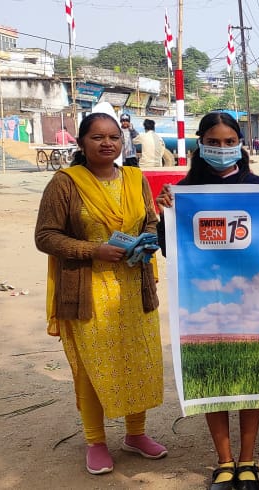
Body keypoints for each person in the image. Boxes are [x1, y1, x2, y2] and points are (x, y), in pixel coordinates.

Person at [34, 112, 167, 476]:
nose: (107, 143)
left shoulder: (135, 178)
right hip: (88, 292)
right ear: (81, 143)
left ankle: (135, 434)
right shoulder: (65, 183)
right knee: (93, 370)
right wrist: (93, 250)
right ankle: (95, 440)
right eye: (97, 137)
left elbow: (149, 221)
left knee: (138, 363)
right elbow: (45, 236)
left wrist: (147, 246)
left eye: (113, 137)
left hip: (132, 287)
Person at [155, 112, 259, 490]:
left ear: (241, 144)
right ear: (200, 144)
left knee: (252, 380)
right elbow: (172, 252)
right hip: (201, 305)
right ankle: (223, 462)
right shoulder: (183, 193)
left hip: (252, 303)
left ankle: (249, 460)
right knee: (213, 381)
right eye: (214, 143)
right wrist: (165, 216)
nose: (222, 149)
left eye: (229, 142)